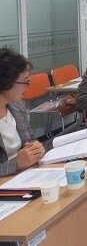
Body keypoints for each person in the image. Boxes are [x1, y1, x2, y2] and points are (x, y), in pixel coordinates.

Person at [0, 47, 46, 177]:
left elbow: (30, 139)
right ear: (6, 83)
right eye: (25, 81)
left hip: (25, 175)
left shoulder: (17, 107)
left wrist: (35, 148)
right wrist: (15, 164)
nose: (27, 86)